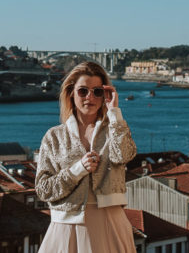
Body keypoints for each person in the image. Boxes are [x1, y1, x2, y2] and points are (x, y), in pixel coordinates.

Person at [35, 61, 137, 252]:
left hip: (110, 222)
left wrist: (114, 112)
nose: (90, 97)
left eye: (97, 91)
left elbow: (124, 155)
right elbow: (43, 190)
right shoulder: (53, 136)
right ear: (71, 93)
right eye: (83, 91)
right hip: (66, 226)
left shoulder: (115, 129)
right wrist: (77, 170)